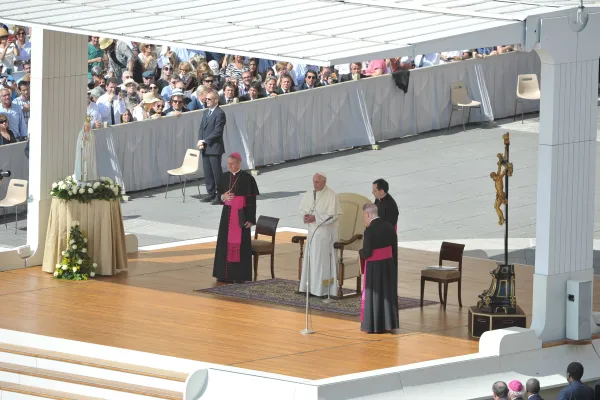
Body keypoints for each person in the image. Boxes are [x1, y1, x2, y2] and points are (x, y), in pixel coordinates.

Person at [213, 152, 259, 283]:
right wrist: (223, 197)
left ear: (239, 163)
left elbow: (251, 201)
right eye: (228, 164)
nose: (229, 166)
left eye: (231, 164)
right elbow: (218, 195)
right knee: (224, 244)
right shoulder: (224, 177)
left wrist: (250, 219)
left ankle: (239, 276)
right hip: (226, 217)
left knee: (241, 246)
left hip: (241, 217)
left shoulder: (248, 178)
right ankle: (223, 275)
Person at [298, 173, 342, 297]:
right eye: (313, 182)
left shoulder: (331, 195)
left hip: (326, 235)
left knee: (322, 263)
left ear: (324, 182)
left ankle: (322, 290)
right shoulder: (310, 193)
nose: (314, 184)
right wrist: (305, 216)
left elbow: (333, 216)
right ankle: (310, 288)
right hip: (312, 233)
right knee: (311, 260)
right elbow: (303, 209)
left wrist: (315, 218)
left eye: (317, 182)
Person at [359, 203, 399, 333]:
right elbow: (393, 248)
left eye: (363, 216)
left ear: (368, 214)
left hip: (374, 268)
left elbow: (367, 252)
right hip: (388, 265)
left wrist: (360, 253)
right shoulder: (389, 226)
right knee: (386, 294)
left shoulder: (369, 231)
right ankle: (388, 324)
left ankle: (374, 325)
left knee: (374, 296)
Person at [197, 90, 226, 205]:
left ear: (216, 100)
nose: (206, 101)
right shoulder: (206, 112)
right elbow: (201, 128)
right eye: (206, 99)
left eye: (209, 99)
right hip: (205, 147)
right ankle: (211, 193)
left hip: (214, 148)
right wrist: (200, 140)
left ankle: (220, 195)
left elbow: (217, 131)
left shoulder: (220, 113)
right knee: (208, 172)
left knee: (216, 173)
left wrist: (205, 140)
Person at [74, 117, 98, 182]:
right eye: (86, 126)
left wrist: (87, 140)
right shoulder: (81, 133)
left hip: (89, 153)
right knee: (82, 166)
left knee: (88, 165)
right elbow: (79, 144)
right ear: (84, 126)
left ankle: (89, 178)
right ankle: (81, 179)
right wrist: (83, 141)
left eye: (88, 126)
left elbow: (92, 144)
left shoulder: (91, 134)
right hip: (82, 153)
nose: (87, 128)